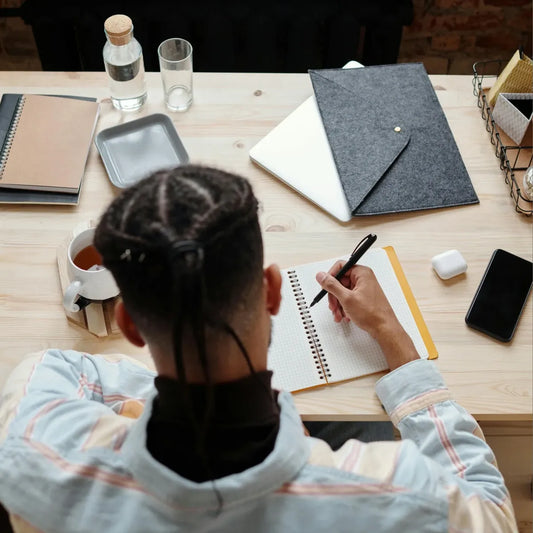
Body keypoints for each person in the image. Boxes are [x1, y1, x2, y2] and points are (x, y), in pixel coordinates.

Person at [0, 165, 517, 533]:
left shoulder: (30, 447)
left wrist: (162, 394)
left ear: (129, 324)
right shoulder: (395, 493)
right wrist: (395, 340)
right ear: (272, 290)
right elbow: (492, 514)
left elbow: (51, 365)